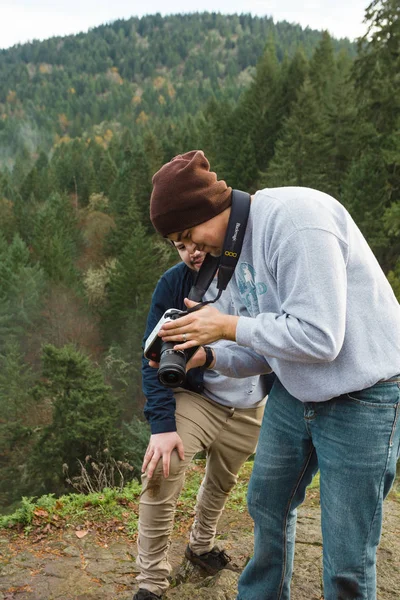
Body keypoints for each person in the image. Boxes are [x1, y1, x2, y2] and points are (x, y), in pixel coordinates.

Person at [148, 149, 400, 600]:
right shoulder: (231, 252)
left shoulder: (294, 221)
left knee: (346, 553)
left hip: (364, 397)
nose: (191, 249)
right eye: (177, 241)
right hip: (295, 390)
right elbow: (268, 349)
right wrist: (207, 357)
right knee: (267, 503)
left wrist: (226, 326)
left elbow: (321, 339)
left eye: (190, 233)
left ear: (214, 208)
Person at [134, 239, 273, 600]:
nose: (191, 252)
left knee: (223, 481)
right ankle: (150, 582)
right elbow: (152, 357)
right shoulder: (175, 284)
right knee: (163, 467)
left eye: (195, 241)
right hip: (200, 397)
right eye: (180, 245)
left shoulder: (254, 272)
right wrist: (162, 426)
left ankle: (200, 546)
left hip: (251, 402)